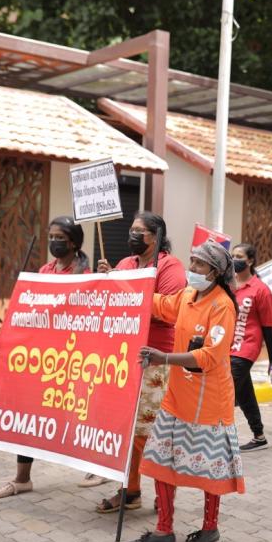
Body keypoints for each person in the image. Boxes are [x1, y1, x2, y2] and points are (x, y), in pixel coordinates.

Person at [132, 240, 243, 542]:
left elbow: (210, 356)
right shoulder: (187, 295)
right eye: (191, 261)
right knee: (160, 459)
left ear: (216, 272)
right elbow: (159, 304)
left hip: (210, 402)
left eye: (198, 264)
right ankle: (163, 530)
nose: (191, 269)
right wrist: (127, 286)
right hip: (177, 397)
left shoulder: (223, 306)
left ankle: (210, 529)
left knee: (211, 468)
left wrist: (164, 357)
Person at [0, 216, 94, 499]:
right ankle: (22, 478)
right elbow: (28, 313)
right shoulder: (44, 270)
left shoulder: (85, 276)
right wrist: (5, 336)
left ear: (72, 242)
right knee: (28, 411)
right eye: (51, 236)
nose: (53, 242)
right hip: (42, 358)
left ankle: (98, 467)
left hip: (71, 357)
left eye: (59, 237)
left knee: (82, 415)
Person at [95, 211, 186, 513]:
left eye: (139, 231)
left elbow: (172, 311)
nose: (132, 235)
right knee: (127, 431)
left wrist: (129, 291)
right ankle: (130, 490)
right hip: (124, 357)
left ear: (156, 236)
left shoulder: (170, 266)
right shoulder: (125, 264)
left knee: (152, 432)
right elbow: (113, 303)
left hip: (155, 358)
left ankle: (164, 494)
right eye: (131, 230)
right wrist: (108, 282)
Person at [229, 243, 272, 452]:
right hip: (228, 346)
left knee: (227, 390)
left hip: (247, 347)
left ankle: (213, 438)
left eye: (239, 256)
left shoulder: (261, 290)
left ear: (250, 261)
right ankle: (259, 435)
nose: (235, 259)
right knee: (244, 393)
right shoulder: (228, 285)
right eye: (232, 256)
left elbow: (267, 326)